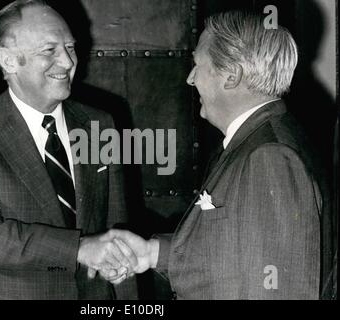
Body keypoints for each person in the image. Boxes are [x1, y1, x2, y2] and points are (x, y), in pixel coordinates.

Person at [101, 10, 322, 299]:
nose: (191, 79)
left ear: (231, 76)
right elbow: (231, 257)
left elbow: (276, 291)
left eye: (198, 66)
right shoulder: (254, 141)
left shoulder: (268, 156)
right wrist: (152, 253)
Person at [0, 0, 137, 300]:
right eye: (50, 50)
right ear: (8, 60)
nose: (68, 62)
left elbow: (118, 231)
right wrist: (78, 249)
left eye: (70, 47)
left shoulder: (100, 123)